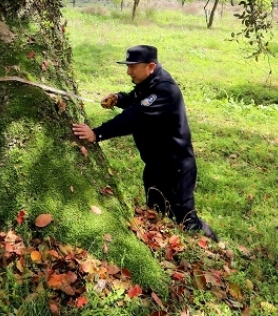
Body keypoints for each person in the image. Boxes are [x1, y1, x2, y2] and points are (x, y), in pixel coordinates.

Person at [72, 45, 219, 240]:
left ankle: (211, 246)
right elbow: (136, 98)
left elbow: (135, 117)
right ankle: (165, 247)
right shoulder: (149, 82)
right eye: (128, 66)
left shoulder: (165, 90)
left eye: (133, 66)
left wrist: (96, 134)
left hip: (176, 169)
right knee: (155, 214)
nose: (128, 71)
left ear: (150, 66)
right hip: (155, 166)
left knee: (186, 220)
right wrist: (118, 98)